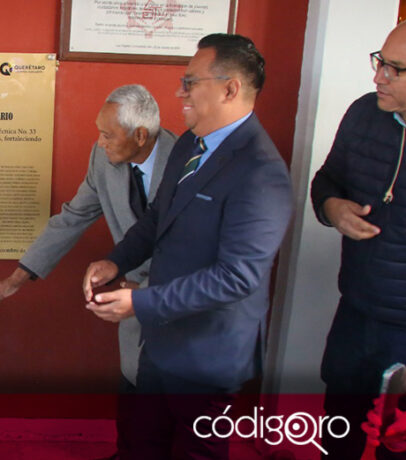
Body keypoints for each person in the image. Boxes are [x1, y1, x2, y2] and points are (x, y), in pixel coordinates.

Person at [81, 33, 293, 459]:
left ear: (230, 88)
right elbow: (158, 218)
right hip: (160, 343)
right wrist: (114, 260)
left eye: (190, 82)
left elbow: (237, 277)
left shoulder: (261, 172)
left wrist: (140, 304)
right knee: (141, 446)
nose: (179, 92)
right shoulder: (189, 145)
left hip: (208, 355)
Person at [0, 84, 176, 458]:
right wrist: (16, 279)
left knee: (170, 401)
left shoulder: (186, 163)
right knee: (133, 384)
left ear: (139, 135)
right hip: (129, 295)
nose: (100, 142)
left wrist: (145, 291)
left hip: (176, 298)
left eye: (107, 134)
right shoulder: (102, 159)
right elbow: (74, 216)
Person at [310, 14, 406, 460]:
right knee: (338, 436)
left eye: (394, 69)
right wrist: (331, 208)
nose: (378, 76)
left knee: (402, 447)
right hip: (356, 312)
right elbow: (327, 180)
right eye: (379, 61)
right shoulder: (364, 113)